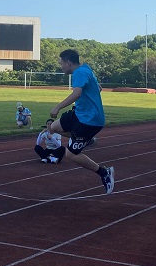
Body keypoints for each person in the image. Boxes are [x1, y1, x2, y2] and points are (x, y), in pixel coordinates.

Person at [49, 49, 114, 194]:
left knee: (71, 154)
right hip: (79, 113)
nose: (61, 67)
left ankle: (104, 172)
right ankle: (87, 140)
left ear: (68, 62)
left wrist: (57, 107)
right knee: (53, 127)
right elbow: (99, 88)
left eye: (61, 63)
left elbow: (77, 93)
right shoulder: (86, 69)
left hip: (89, 120)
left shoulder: (79, 73)